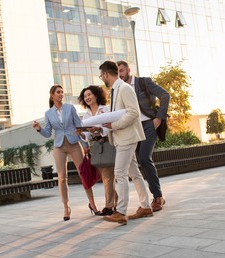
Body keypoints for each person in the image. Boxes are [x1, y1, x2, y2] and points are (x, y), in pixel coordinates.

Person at [32, 84, 100, 221]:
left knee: (84, 175)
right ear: (52, 95)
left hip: (74, 144)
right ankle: (66, 208)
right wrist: (39, 129)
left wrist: (85, 143)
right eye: (58, 92)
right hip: (59, 146)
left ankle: (92, 204)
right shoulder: (48, 113)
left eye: (62, 92)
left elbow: (79, 126)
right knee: (62, 178)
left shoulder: (70, 108)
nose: (61, 94)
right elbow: (47, 133)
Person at [99, 61, 153, 225]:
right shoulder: (116, 90)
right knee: (134, 173)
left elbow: (134, 113)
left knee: (119, 173)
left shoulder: (124, 88)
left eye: (101, 75)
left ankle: (121, 211)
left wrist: (114, 125)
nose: (101, 78)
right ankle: (145, 206)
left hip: (127, 137)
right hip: (122, 137)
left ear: (107, 74)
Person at [117, 60, 170, 212]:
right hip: (132, 127)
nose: (120, 74)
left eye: (122, 70)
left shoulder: (143, 82)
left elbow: (165, 95)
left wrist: (159, 118)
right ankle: (146, 199)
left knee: (144, 157)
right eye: (118, 72)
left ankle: (158, 196)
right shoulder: (120, 89)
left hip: (148, 125)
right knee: (137, 162)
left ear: (128, 70)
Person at [77, 85, 117, 216]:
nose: (87, 98)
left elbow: (111, 127)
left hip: (108, 143)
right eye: (85, 96)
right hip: (96, 147)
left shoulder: (105, 109)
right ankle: (117, 205)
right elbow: (87, 136)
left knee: (107, 176)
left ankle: (109, 206)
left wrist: (99, 129)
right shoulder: (86, 115)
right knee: (106, 178)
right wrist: (81, 134)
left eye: (89, 94)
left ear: (96, 95)